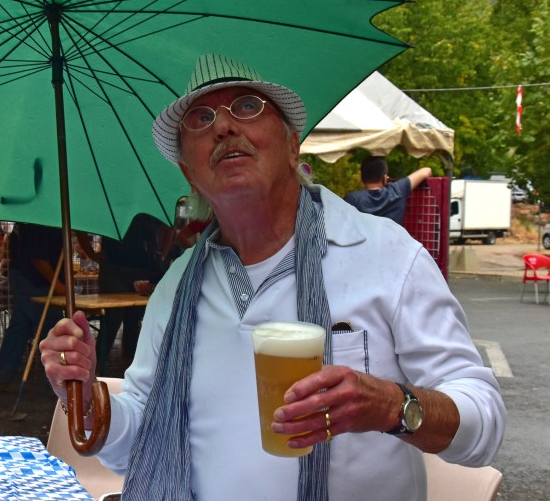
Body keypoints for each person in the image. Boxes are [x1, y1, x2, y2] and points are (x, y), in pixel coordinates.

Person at [39, 54, 504, 500]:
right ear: (188, 172)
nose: (223, 126)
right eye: (200, 118)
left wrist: (391, 405)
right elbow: (138, 443)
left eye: (247, 106)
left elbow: (483, 422)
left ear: (292, 144)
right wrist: (83, 393)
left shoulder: (385, 253)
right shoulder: (178, 285)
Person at [76, 213, 168, 368]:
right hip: (114, 269)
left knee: (134, 322)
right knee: (112, 320)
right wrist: (91, 253)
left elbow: (169, 228)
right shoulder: (109, 204)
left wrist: (162, 254)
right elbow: (80, 225)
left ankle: (130, 366)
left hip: (142, 270)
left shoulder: (149, 207)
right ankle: (96, 367)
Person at [0, 222, 66, 392]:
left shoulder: (31, 220)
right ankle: (56, 380)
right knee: (52, 329)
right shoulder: (39, 222)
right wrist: (58, 285)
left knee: (20, 326)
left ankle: (2, 375)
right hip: (34, 280)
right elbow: (38, 258)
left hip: (26, 276)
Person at [343, 156, 433, 225]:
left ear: (362, 178)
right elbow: (426, 171)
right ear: (384, 178)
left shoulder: (351, 199)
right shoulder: (396, 191)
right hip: (392, 244)